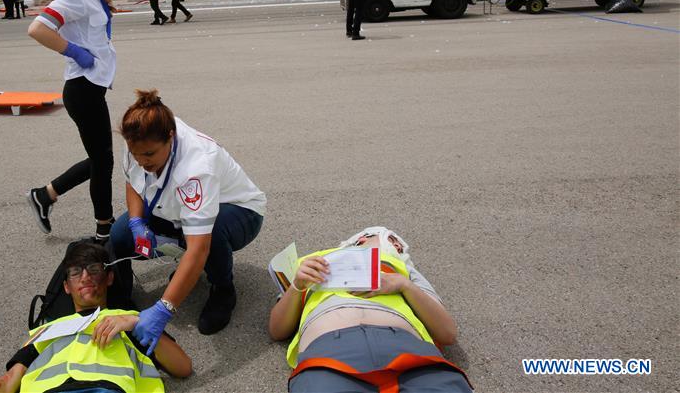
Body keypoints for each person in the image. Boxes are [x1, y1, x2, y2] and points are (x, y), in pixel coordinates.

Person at [110, 89, 266, 338]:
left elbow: (199, 247)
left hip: (239, 212)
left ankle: (222, 288)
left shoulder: (197, 166)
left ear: (171, 137)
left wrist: (164, 308)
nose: (142, 161)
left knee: (210, 235)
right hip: (174, 208)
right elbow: (133, 180)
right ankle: (122, 297)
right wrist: (137, 222)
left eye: (149, 155)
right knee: (119, 235)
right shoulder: (137, 140)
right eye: (136, 155)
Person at [268, 227, 472, 392]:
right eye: (380, 236)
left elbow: (448, 333)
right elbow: (277, 330)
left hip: (407, 349)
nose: (390, 243)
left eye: (396, 243)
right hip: (330, 354)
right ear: (357, 241)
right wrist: (297, 286)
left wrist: (404, 285)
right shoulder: (310, 264)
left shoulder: (402, 270)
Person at [0, 242, 191, 393]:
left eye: (93, 269)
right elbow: (7, 382)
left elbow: (182, 367)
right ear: (66, 287)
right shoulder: (47, 330)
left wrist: (136, 322)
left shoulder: (125, 320)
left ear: (109, 278)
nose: (85, 277)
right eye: (75, 272)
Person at [25, 0, 117, 243]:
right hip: (83, 88)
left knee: (101, 159)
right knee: (103, 162)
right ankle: (104, 230)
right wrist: (75, 52)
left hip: (91, 86)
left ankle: (45, 195)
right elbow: (38, 29)